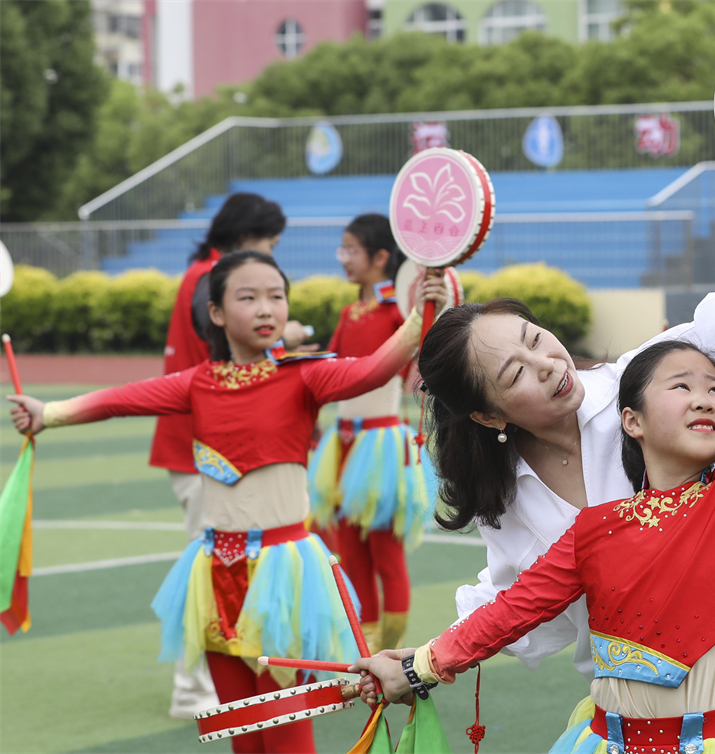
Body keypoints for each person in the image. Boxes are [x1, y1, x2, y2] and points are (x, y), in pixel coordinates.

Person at [382, 175, 715, 751]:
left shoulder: (647, 386)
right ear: (488, 418)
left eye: (536, 339)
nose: (546, 365)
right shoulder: (543, 515)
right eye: (514, 374)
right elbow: (519, 601)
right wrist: (420, 662)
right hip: (642, 713)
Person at [9, 251, 449, 754]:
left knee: (286, 733)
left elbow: (372, 371)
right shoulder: (199, 383)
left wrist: (419, 317)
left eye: (276, 296)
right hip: (214, 571)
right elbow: (122, 400)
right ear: (216, 313)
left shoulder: (303, 375)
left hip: (283, 578)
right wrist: (50, 413)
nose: (266, 308)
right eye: (248, 297)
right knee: (243, 733)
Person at [150, 193, 307, 719]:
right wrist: (291, 336)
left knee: (218, 567)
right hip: (212, 448)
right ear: (246, 238)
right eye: (268, 243)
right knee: (213, 570)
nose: (269, 256)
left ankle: (210, 680)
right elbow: (233, 348)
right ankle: (193, 687)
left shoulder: (203, 271)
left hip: (206, 444)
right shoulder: (214, 276)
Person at [308, 213, 462, 654]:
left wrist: (439, 296)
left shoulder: (399, 311)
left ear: (379, 256)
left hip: (379, 446)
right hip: (342, 442)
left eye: (350, 250)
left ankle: (388, 648)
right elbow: (331, 369)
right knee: (351, 552)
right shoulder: (348, 311)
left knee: (385, 554)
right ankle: (363, 646)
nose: (344, 259)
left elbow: (432, 339)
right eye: (342, 250)